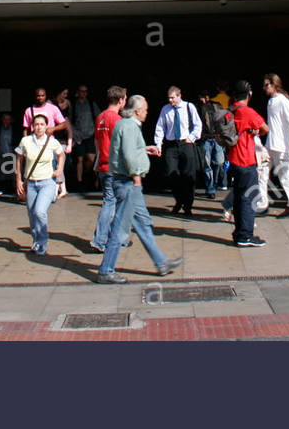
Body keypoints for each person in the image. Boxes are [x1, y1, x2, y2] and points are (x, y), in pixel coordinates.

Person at [96, 95, 185, 283]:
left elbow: (128, 150)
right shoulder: (129, 126)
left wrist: (145, 149)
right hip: (127, 183)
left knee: (143, 224)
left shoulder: (125, 125)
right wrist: (136, 178)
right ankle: (106, 270)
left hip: (126, 182)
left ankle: (161, 262)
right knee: (120, 228)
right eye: (145, 110)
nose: (146, 113)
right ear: (137, 111)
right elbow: (128, 156)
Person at [226, 80, 269, 247]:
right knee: (249, 198)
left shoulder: (230, 111)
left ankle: (239, 233)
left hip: (233, 159)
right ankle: (246, 236)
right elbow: (265, 128)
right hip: (246, 160)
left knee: (238, 198)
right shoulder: (247, 112)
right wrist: (254, 131)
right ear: (249, 95)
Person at [15, 113, 64, 254]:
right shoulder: (26, 141)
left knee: (40, 211)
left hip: (47, 182)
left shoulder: (52, 142)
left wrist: (59, 169)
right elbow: (19, 159)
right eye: (36, 124)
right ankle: (36, 240)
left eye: (42, 124)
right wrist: (18, 179)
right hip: (31, 183)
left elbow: (61, 155)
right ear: (32, 126)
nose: (39, 127)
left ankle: (43, 242)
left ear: (46, 126)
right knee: (31, 214)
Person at [262, 73, 289, 216]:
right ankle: (263, 204)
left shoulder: (283, 101)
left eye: (266, 85)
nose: (264, 88)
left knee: (285, 177)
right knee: (262, 173)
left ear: (274, 85)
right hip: (270, 144)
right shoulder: (271, 102)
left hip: (281, 146)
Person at [153, 86, 202, 216]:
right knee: (171, 173)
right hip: (171, 144)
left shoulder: (189, 107)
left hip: (186, 143)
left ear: (179, 96)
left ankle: (188, 205)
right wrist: (159, 144)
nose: (170, 100)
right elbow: (160, 127)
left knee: (189, 175)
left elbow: (198, 124)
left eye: (173, 97)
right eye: (169, 98)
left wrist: (192, 137)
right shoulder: (166, 109)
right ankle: (179, 200)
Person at [90, 85, 127, 252]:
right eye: (125, 99)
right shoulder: (117, 120)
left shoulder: (100, 118)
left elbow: (97, 142)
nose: (125, 101)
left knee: (112, 202)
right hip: (115, 167)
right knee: (112, 203)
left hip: (103, 166)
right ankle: (100, 240)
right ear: (120, 100)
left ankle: (115, 237)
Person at [23, 87, 70, 199]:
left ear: (46, 96)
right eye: (38, 95)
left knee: (51, 167)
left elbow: (63, 124)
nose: (40, 98)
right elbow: (26, 128)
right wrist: (25, 143)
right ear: (35, 96)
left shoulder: (53, 108)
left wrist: (53, 129)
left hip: (49, 143)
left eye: (42, 95)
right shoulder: (29, 110)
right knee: (33, 167)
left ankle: (52, 193)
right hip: (34, 143)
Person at [197, 87, 227, 200]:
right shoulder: (199, 108)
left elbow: (224, 121)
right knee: (207, 165)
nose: (202, 99)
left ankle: (213, 184)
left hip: (216, 138)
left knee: (219, 162)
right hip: (205, 139)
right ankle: (211, 188)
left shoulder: (217, 106)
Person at [71, 84, 99, 189]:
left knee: (91, 159)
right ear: (78, 92)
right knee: (80, 160)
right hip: (78, 136)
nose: (83, 93)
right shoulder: (74, 105)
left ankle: (88, 174)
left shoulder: (91, 104)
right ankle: (80, 182)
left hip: (90, 134)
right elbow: (69, 120)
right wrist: (73, 135)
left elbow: (98, 117)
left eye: (85, 91)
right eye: (81, 91)